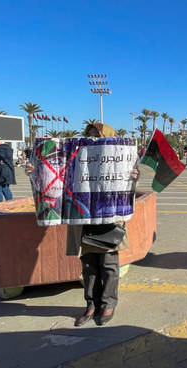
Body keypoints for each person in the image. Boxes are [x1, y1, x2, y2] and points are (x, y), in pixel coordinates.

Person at [26, 123, 139, 327]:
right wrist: (36, 171)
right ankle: (91, 303)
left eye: (98, 135)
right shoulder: (76, 154)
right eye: (90, 135)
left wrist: (134, 176)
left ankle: (109, 303)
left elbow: (129, 183)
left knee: (109, 264)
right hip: (82, 217)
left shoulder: (122, 154)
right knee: (88, 265)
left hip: (108, 218)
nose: (93, 139)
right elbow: (57, 172)